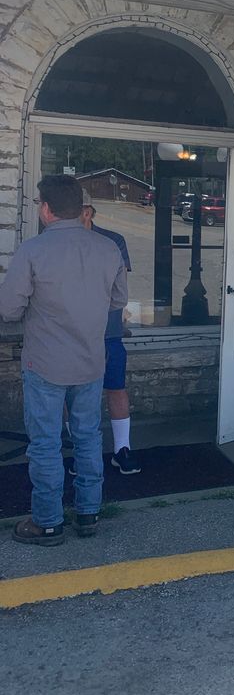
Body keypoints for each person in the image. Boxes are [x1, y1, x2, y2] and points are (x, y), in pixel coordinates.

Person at [0, 175, 127, 545]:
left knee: (45, 444)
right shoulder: (109, 249)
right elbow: (118, 301)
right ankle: (88, 513)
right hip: (90, 361)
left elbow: (8, 310)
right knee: (87, 438)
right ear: (79, 207)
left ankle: (48, 521)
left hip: (45, 364)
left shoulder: (33, 250)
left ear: (45, 208)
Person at [80, 203, 141, 475]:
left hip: (108, 331)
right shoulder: (52, 241)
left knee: (116, 387)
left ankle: (122, 449)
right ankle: (80, 450)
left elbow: (119, 290)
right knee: (75, 393)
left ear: (89, 211)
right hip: (73, 334)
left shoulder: (113, 240)